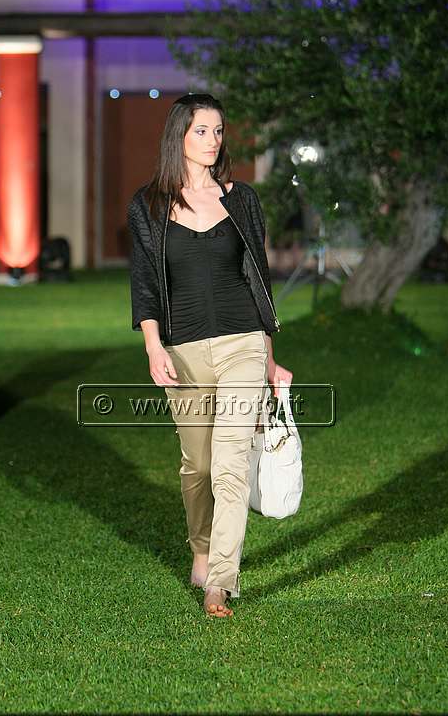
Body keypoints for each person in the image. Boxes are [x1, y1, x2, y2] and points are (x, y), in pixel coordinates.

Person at [127, 93, 293, 618]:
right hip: (184, 349)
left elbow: (259, 280)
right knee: (197, 466)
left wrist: (269, 357)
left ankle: (220, 581)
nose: (213, 140)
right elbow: (145, 284)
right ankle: (200, 548)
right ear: (178, 136)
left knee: (229, 464)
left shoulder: (241, 199)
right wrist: (153, 346)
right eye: (202, 131)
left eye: (218, 131)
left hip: (243, 343)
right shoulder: (148, 205)